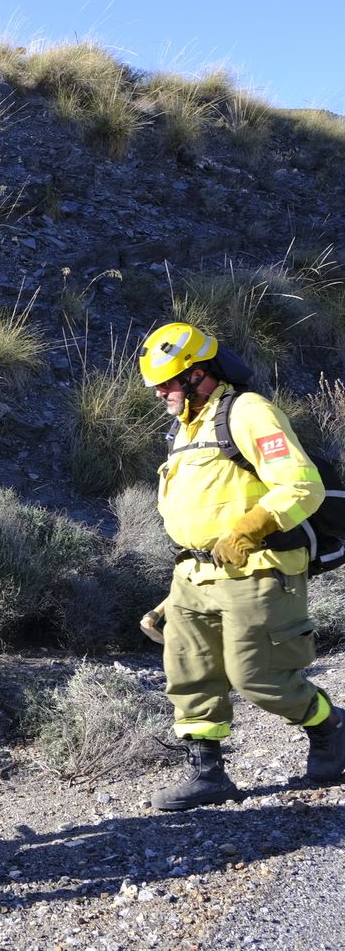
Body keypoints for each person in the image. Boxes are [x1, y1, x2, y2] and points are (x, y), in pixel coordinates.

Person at [137, 322, 345, 810]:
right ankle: (207, 772)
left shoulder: (248, 412)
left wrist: (248, 529)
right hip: (193, 575)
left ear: (201, 373)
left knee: (260, 676)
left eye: (169, 382)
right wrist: (176, 590)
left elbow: (301, 486)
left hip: (259, 568)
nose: (162, 393)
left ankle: (330, 726)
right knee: (190, 675)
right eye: (158, 385)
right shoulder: (184, 427)